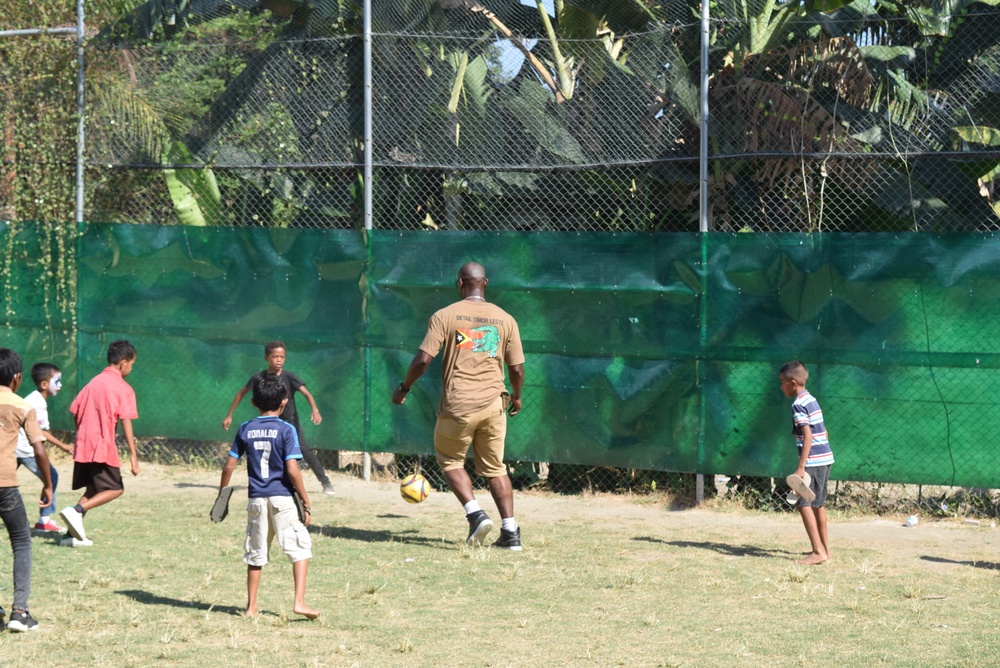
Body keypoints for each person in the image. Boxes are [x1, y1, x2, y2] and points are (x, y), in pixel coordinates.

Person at [392, 261, 525, 550]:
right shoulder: (506, 319)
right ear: (485, 283)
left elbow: (423, 360)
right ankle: (511, 531)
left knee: (451, 462)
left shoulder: (445, 315)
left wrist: (404, 388)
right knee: (495, 468)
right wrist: (516, 396)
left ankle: (475, 514)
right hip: (494, 403)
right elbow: (516, 369)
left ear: (459, 284)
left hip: (458, 405)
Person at [218, 371, 318, 619]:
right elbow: (292, 470)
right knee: (300, 549)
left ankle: (251, 607)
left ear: (253, 402)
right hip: (283, 498)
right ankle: (299, 602)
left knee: (256, 552)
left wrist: (222, 496)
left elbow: (229, 466)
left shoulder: (245, 428)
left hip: (256, 500)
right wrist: (305, 499)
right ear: (284, 401)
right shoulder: (286, 430)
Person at [223, 342, 334, 496]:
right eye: (275, 356)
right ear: (266, 357)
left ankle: (325, 482)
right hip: (268, 423)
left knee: (304, 450)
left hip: (289, 423)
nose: (279, 360)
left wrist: (315, 409)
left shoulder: (289, 377)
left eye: (282, 357)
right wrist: (229, 415)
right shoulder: (259, 378)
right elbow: (241, 393)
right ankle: (272, 484)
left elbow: (307, 393)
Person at [59, 340, 140, 547]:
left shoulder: (93, 382)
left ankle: (69, 537)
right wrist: (133, 454)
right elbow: (126, 421)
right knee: (115, 489)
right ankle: (76, 511)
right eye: (131, 364)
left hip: (84, 445)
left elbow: (74, 411)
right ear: (123, 362)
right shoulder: (124, 388)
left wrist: (81, 434)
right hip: (102, 447)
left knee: (93, 490)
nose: (131, 368)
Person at [0, 348, 53, 632]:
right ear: (17, 378)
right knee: (21, 542)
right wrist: (48, 484)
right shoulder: (22, 405)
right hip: (6, 486)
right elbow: (39, 449)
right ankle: (20, 612)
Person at [779, 360, 834, 565]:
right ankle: (825, 551)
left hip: (813, 461)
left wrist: (801, 467)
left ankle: (818, 552)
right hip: (825, 458)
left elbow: (808, 436)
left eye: (782, 382)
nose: (781, 386)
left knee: (803, 504)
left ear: (793, 383)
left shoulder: (798, 404)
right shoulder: (811, 399)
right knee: (817, 504)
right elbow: (824, 431)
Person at [16, 362, 73, 533]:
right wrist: (64, 446)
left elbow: (40, 430)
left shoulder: (33, 399)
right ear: (44, 384)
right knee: (52, 477)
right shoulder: (38, 403)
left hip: (14, 447)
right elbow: (39, 432)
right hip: (24, 450)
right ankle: (44, 520)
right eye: (58, 381)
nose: (61, 385)